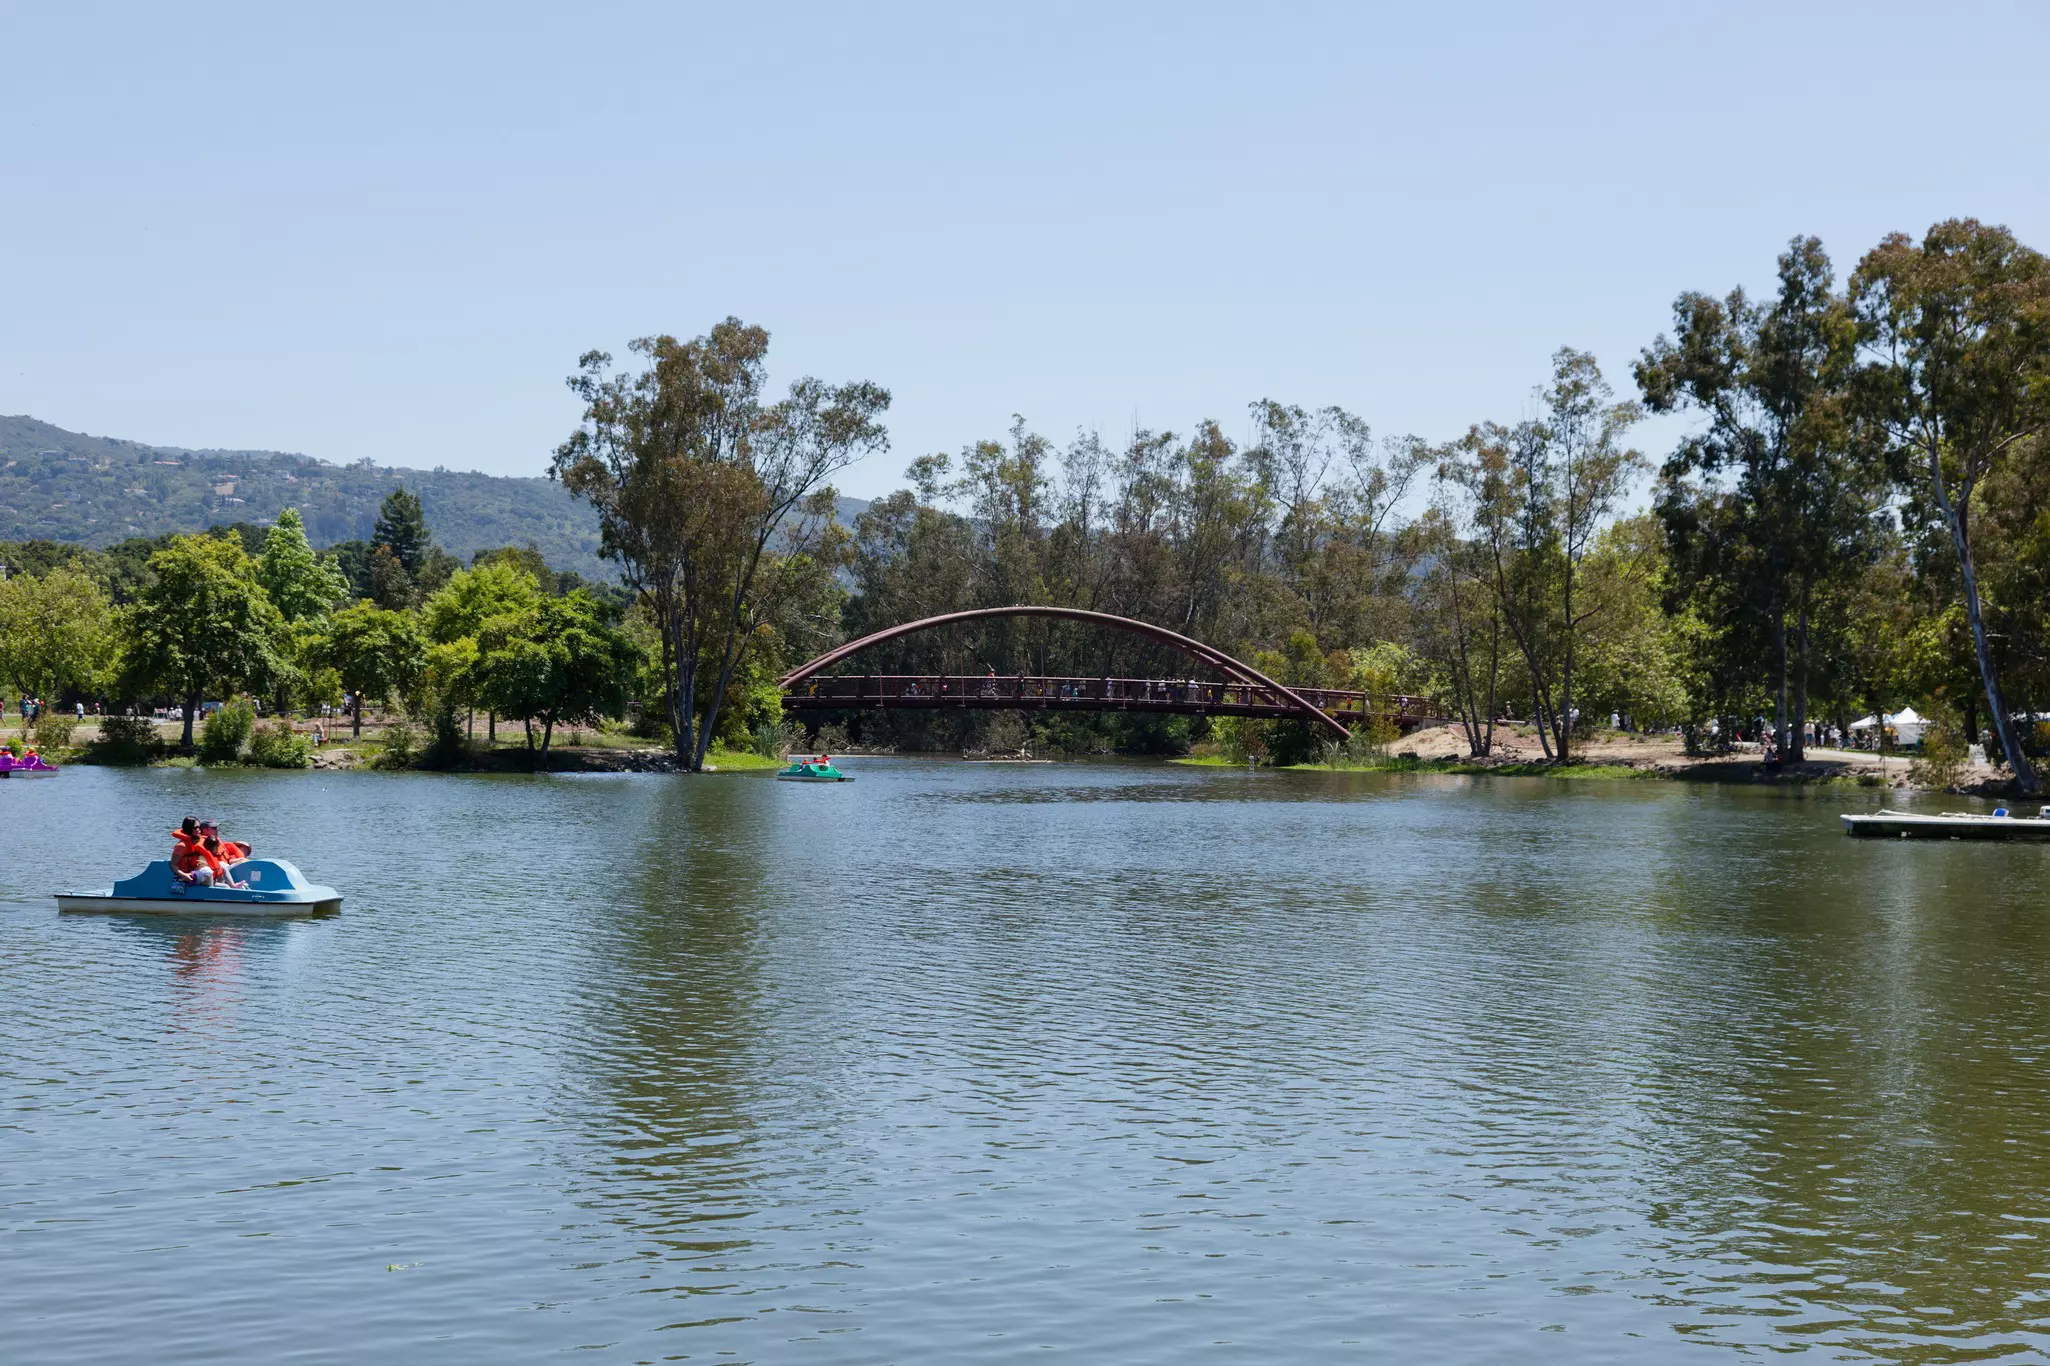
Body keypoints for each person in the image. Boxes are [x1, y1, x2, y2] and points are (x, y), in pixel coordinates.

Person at [171, 817, 228, 888]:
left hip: (196, 871)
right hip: (186, 877)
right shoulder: (182, 846)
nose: (199, 830)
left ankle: (229, 887)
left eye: (199, 827)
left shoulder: (197, 841)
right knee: (207, 871)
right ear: (189, 829)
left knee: (222, 865)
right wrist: (184, 875)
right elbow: (173, 864)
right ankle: (211, 893)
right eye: (196, 828)